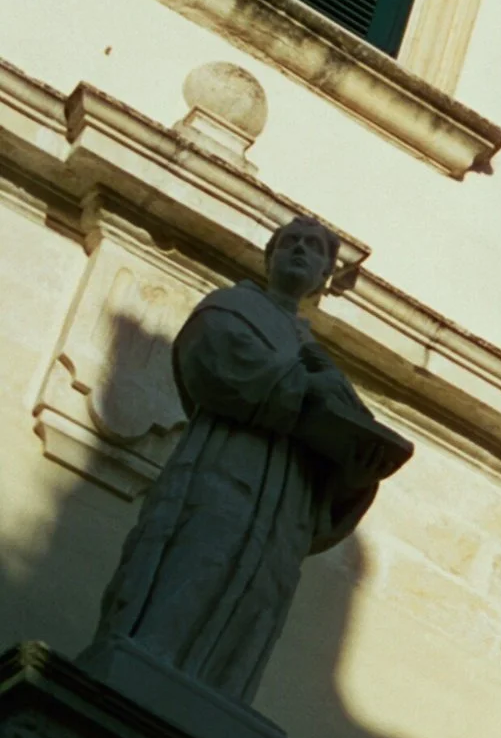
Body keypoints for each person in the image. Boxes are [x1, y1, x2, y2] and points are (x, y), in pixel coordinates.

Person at [89, 215, 405, 703]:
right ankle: (146, 667)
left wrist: (355, 474)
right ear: (270, 257)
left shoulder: (319, 356)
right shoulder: (231, 307)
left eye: (314, 249)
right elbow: (212, 363)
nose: (301, 251)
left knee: (258, 597)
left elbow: (341, 461)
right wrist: (302, 387)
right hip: (228, 467)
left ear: (325, 277)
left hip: (286, 506)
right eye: (291, 242)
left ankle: (217, 696)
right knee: (196, 561)